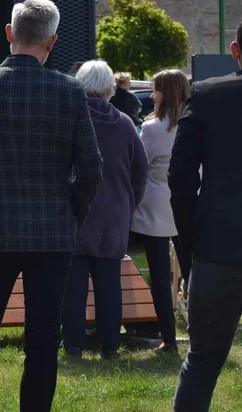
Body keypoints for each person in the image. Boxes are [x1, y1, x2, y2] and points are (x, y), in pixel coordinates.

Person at [0, 0, 102, 412]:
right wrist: (71, 215)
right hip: (52, 232)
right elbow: (90, 170)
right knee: (44, 340)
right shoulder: (69, 92)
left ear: (9, 34)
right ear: (52, 42)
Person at [170, 11, 242, 411]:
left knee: (202, 363)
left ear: (235, 50)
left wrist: (190, 248)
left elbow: (181, 179)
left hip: (218, 248)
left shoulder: (206, 95)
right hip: (219, 248)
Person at [62, 60, 148, 360]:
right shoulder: (125, 124)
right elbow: (141, 171)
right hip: (113, 214)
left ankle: (72, 345)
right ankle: (110, 345)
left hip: (75, 213)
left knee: (73, 286)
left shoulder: (69, 118)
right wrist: (128, 204)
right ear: (110, 88)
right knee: (110, 285)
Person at [132, 67, 190, 355]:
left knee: (159, 276)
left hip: (154, 209)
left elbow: (140, 167)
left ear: (165, 92)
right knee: (193, 274)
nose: (152, 95)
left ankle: (168, 337)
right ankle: (200, 332)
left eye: (155, 89)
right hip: (189, 207)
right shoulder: (195, 122)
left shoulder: (153, 128)